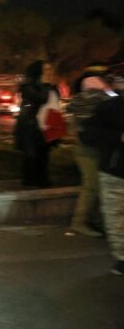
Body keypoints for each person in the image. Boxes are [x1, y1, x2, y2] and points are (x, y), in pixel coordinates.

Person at [66, 66, 116, 237]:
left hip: (86, 148)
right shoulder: (99, 99)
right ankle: (79, 222)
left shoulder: (79, 101)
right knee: (91, 186)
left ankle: (92, 220)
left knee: (95, 185)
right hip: (89, 149)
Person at [79, 92, 124, 275]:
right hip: (116, 173)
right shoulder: (113, 106)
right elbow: (87, 134)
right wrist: (118, 137)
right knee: (116, 219)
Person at [15, 60, 55, 187]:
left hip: (45, 124)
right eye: (46, 70)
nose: (49, 72)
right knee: (32, 155)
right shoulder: (28, 86)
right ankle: (31, 181)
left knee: (43, 155)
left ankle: (42, 179)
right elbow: (41, 98)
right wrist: (47, 85)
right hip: (30, 125)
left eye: (50, 69)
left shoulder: (48, 86)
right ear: (38, 72)